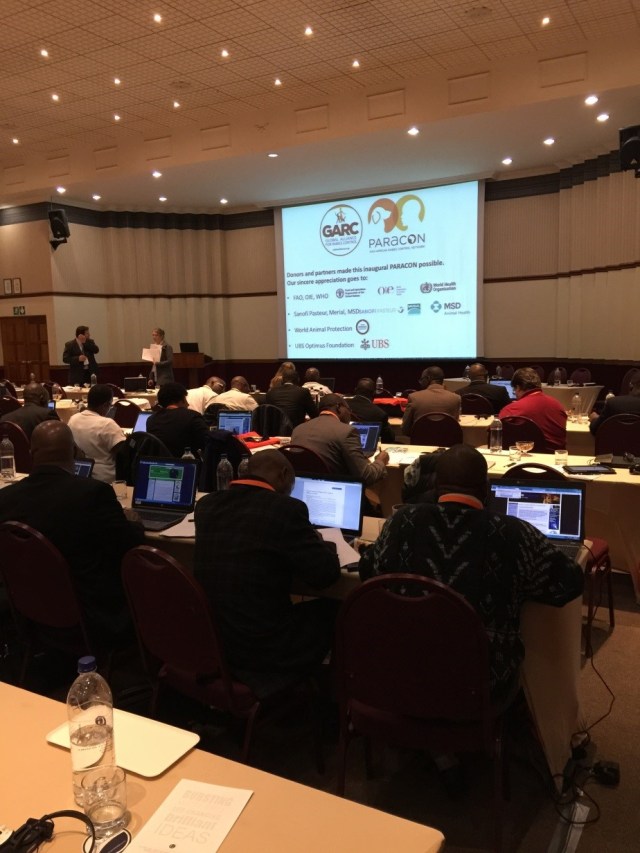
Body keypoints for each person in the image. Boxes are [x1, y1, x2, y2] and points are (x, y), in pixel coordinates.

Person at [359, 444, 583, 701]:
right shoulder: (515, 534)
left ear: (436, 487)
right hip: (482, 683)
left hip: (402, 670)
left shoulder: (401, 521)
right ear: (486, 490)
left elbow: (368, 570)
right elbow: (570, 582)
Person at [194, 450, 340, 684]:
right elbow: (325, 575)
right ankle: (331, 692)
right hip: (264, 645)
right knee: (339, 607)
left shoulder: (206, 506)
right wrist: (323, 544)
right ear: (284, 475)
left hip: (216, 638)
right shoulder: (287, 509)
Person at [0, 421, 144, 644]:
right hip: (92, 611)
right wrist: (133, 521)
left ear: (30, 453)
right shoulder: (94, 494)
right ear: (75, 452)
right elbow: (131, 546)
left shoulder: (5, 498)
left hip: (28, 607)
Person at [291, 393, 389, 486]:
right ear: (339, 407)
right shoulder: (347, 432)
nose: (350, 414)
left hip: (301, 493)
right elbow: (366, 477)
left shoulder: (298, 429)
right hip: (335, 493)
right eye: (348, 409)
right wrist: (381, 460)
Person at [68, 384, 128, 482]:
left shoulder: (73, 419)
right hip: (106, 480)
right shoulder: (107, 424)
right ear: (105, 405)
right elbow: (124, 454)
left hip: (79, 476)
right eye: (110, 405)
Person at [499, 367, 567, 450]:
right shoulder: (558, 405)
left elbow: (495, 432)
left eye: (514, 390)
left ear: (518, 387)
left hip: (524, 458)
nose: (515, 394)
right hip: (555, 458)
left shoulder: (511, 409)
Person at [147, 381, 210, 457]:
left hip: (160, 465)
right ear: (181, 400)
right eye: (185, 399)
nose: (188, 404)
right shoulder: (193, 417)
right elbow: (208, 443)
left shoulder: (151, 420)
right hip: (186, 465)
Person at [401, 366, 461, 436]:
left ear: (428, 378)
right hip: (448, 443)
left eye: (421, 379)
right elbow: (455, 426)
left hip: (420, 443)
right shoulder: (456, 398)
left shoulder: (414, 397)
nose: (420, 382)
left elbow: (405, 430)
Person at [346, 378, 395, 443]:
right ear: (374, 393)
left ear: (355, 390)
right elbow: (389, 439)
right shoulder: (379, 414)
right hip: (368, 448)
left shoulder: (343, 405)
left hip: (342, 447)